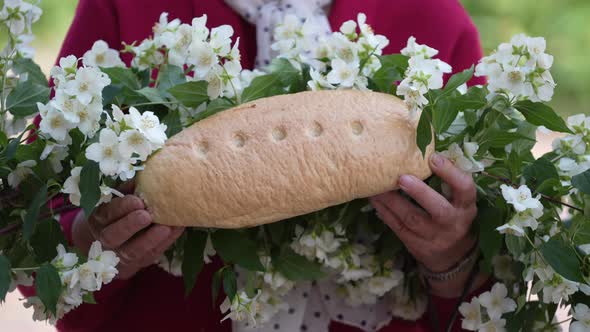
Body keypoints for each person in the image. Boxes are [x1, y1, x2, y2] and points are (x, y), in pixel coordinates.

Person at [33, 0, 491, 331]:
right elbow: (34, 236)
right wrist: (90, 245)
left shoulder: (432, 19)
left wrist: (453, 261)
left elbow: (497, 293)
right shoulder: (125, 8)